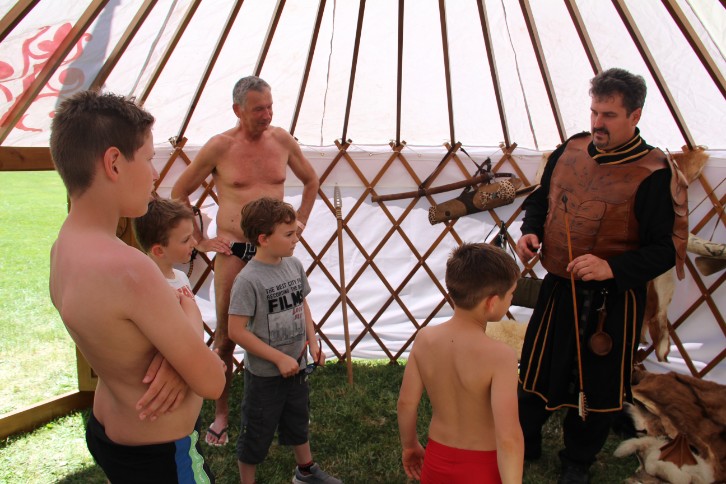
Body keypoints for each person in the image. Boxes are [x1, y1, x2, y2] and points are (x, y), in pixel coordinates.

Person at [515, 68, 687, 484]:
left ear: (635, 115)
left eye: (609, 115)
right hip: (559, 288)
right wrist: (530, 230)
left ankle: (577, 460)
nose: (597, 123)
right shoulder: (570, 151)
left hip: (613, 302)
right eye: (594, 112)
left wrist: (613, 267)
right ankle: (524, 441)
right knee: (535, 373)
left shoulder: (655, 173)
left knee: (598, 386)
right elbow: (541, 201)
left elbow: (667, 249)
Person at [49, 90, 226, 482]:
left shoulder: (62, 248)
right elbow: (212, 381)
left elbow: (123, 345)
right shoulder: (129, 268)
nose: (155, 174)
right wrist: (188, 317)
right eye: (148, 159)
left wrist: (179, 359)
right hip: (160, 453)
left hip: (109, 432)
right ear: (114, 163)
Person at [171, 75, 319, 446]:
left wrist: (299, 221)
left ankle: (287, 408)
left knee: (286, 328)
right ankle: (222, 414)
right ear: (238, 110)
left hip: (274, 253)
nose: (267, 115)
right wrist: (200, 240)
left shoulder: (282, 140)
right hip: (234, 251)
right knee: (225, 337)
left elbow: (311, 180)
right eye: (258, 109)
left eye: (270, 107)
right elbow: (179, 191)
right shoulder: (219, 147)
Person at [227, 197, 341, 484]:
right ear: (264, 239)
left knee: (297, 418)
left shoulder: (293, 265)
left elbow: (302, 304)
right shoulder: (248, 280)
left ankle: (305, 470)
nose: (296, 239)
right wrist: (278, 358)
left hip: (297, 365)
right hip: (265, 375)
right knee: (256, 431)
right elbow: (236, 331)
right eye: (289, 234)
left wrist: (313, 342)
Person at [397, 243, 524, 484]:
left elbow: (406, 403)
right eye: (511, 295)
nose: (511, 300)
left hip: (436, 460)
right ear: (491, 302)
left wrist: (410, 445)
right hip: (482, 468)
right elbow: (509, 438)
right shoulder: (501, 356)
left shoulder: (425, 338)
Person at [132, 197, 199, 301]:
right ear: (159, 251)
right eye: (186, 240)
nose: (195, 243)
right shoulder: (151, 288)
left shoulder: (181, 276)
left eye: (192, 235)